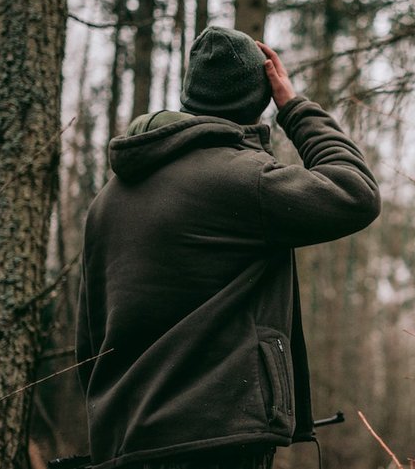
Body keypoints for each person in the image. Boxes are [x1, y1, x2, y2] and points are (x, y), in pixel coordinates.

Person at [75, 26, 381, 469]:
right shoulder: (244, 179)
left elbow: (89, 336)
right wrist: (293, 107)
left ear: (190, 95)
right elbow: (356, 192)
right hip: (215, 439)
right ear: (257, 100)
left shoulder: (107, 199)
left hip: (125, 442)